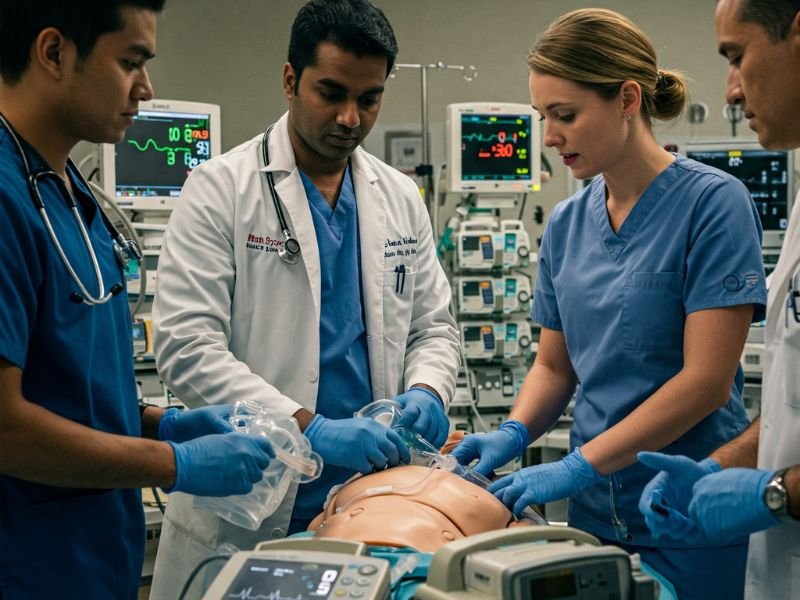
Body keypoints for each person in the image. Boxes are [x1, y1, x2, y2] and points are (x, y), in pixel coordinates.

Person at [450, 8, 767, 599]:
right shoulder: (569, 223)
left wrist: (578, 466)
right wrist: (515, 433)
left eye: (565, 115)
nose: (549, 137)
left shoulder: (714, 205)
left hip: (686, 512)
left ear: (626, 98)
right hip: (597, 523)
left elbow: (703, 381)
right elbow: (554, 366)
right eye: (545, 117)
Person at [148, 0, 460, 595]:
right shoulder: (220, 190)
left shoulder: (398, 197)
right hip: (252, 502)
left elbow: (433, 327)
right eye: (331, 92)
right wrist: (306, 428)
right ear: (290, 80)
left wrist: (425, 392)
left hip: (370, 501)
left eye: (369, 99)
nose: (350, 117)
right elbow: (187, 346)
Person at [0, 2, 276, 598]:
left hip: (95, 561)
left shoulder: (71, 194)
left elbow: (72, 385)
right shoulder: (5, 201)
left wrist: (162, 426)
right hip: (25, 563)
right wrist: (175, 466)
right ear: (53, 52)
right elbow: (5, 427)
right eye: (131, 62)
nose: (145, 89)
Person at [638, 1, 800, 598]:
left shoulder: (714, 203)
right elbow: (793, 406)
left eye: (738, 56)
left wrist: (778, 491)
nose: (730, 92)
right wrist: (724, 466)